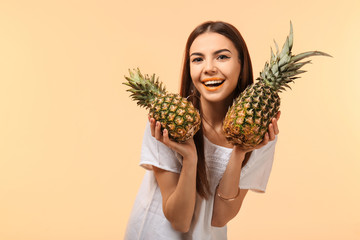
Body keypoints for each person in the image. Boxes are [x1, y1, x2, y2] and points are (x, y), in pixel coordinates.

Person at [124, 21, 280, 240]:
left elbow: (219, 218)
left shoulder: (259, 133)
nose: (208, 68)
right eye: (197, 59)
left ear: (241, 65)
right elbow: (179, 221)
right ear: (190, 68)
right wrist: (189, 158)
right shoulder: (166, 121)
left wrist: (239, 152)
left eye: (222, 57)